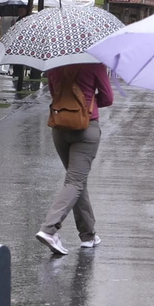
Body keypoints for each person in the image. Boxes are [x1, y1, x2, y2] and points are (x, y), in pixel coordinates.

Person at [34, 61, 115, 256]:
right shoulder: (95, 65)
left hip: (60, 127)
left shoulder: (54, 64)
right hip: (86, 127)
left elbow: (55, 94)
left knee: (77, 181)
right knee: (75, 181)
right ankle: (49, 229)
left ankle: (88, 235)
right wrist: (89, 101)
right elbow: (108, 98)